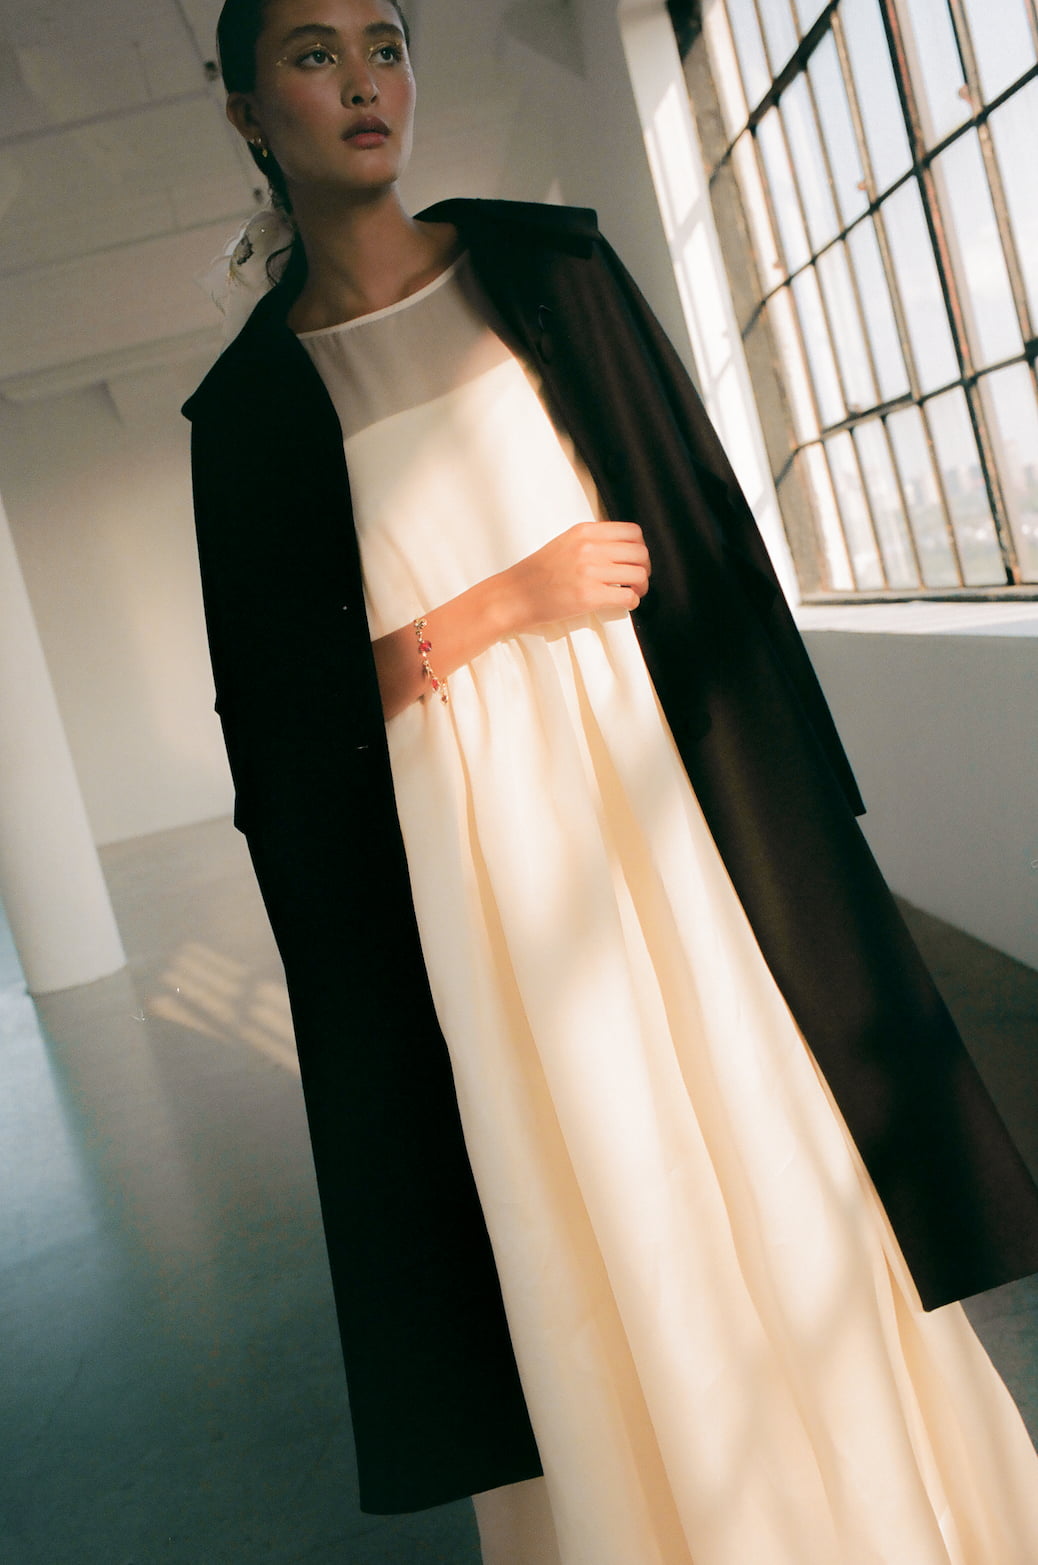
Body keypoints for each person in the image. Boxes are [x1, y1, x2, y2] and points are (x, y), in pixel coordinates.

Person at [184, 1, 1038, 1559]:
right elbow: (282, 729)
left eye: (384, 42)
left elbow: (701, 537)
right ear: (247, 110)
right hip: (473, 879)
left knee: (773, 1153)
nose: (365, 81)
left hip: (661, 813)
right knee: (586, 1191)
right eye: (313, 55)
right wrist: (503, 602)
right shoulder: (244, 416)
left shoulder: (547, 271)